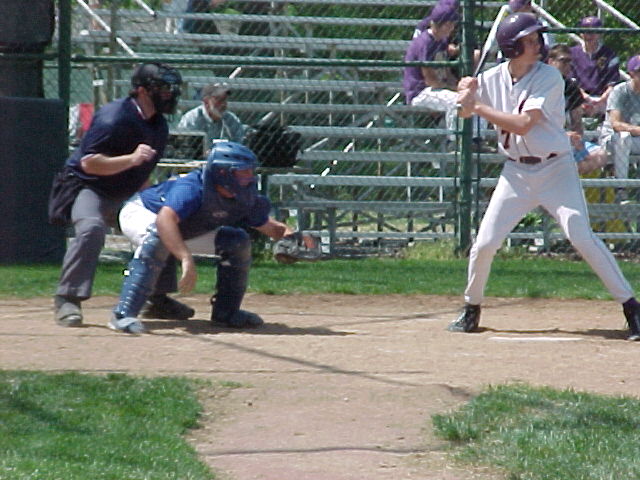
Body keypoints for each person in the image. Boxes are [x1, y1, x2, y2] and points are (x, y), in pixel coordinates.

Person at [450, 13, 640, 340]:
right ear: (511, 46)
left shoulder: (549, 76)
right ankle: (471, 308)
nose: (537, 44)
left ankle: (632, 308)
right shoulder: (491, 78)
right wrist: (465, 95)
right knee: (485, 243)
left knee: (581, 235)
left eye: (537, 38)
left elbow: (524, 124)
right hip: (516, 172)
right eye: (528, 40)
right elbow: (465, 112)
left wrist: (476, 107)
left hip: (555, 169)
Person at [110, 141, 296, 333]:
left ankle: (226, 313)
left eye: (251, 171)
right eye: (243, 172)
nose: (250, 177)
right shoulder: (192, 187)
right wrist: (185, 258)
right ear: (223, 173)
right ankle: (123, 314)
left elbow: (273, 229)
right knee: (158, 238)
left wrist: (292, 241)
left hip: (185, 228)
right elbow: (165, 220)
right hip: (143, 212)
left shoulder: (243, 194)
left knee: (237, 242)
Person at [53, 63, 185, 328]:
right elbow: (89, 163)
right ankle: (67, 298)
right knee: (91, 228)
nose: (169, 94)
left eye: (171, 89)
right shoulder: (114, 117)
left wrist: (155, 204)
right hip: (90, 186)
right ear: (142, 91)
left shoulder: (158, 125)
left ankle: (156, 297)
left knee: (163, 224)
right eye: (162, 88)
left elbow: (142, 172)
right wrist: (131, 159)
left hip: (127, 191)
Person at [547, 44, 607, 175]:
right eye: (563, 61)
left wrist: (578, 138)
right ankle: (562, 175)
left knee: (600, 155)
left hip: (568, 140)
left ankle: (565, 174)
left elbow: (577, 120)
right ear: (551, 62)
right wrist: (562, 136)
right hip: (546, 139)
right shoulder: (541, 85)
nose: (568, 65)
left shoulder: (571, 86)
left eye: (570, 61)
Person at [570, 16, 620, 116]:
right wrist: (585, 97)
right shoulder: (572, 53)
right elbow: (571, 82)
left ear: (600, 33)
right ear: (581, 33)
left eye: (593, 31)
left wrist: (600, 101)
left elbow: (612, 85)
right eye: (586, 31)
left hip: (603, 98)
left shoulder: (609, 54)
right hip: (579, 97)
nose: (589, 35)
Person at [600, 55, 640, 181]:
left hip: (636, 139)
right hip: (612, 139)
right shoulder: (620, 91)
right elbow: (616, 124)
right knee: (624, 137)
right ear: (631, 73)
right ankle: (621, 186)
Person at [177, 82, 245, 148]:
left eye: (225, 100)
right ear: (206, 102)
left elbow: (240, 146)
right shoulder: (191, 119)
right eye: (219, 100)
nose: (223, 104)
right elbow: (183, 147)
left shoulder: (231, 120)